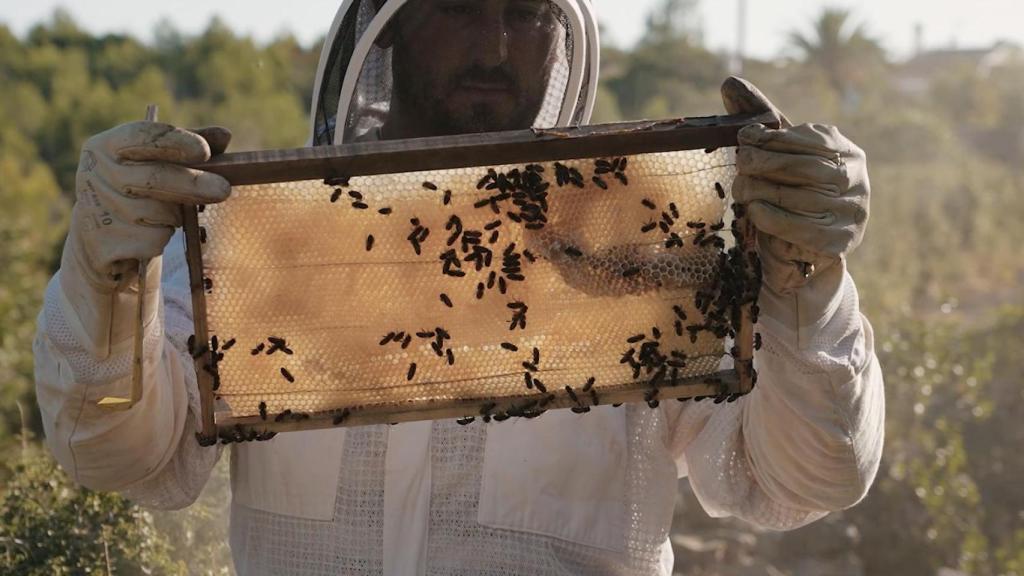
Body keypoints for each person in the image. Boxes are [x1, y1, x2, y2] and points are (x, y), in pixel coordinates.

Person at [33, 0, 884, 574]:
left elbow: (800, 481)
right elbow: (118, 454)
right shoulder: (259, 241)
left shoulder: (648, 246)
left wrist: (802, 281)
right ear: (391, 28)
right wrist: (113, 283)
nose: (494, 48)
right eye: (460, 4)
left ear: (564, 37)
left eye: (526, 12)